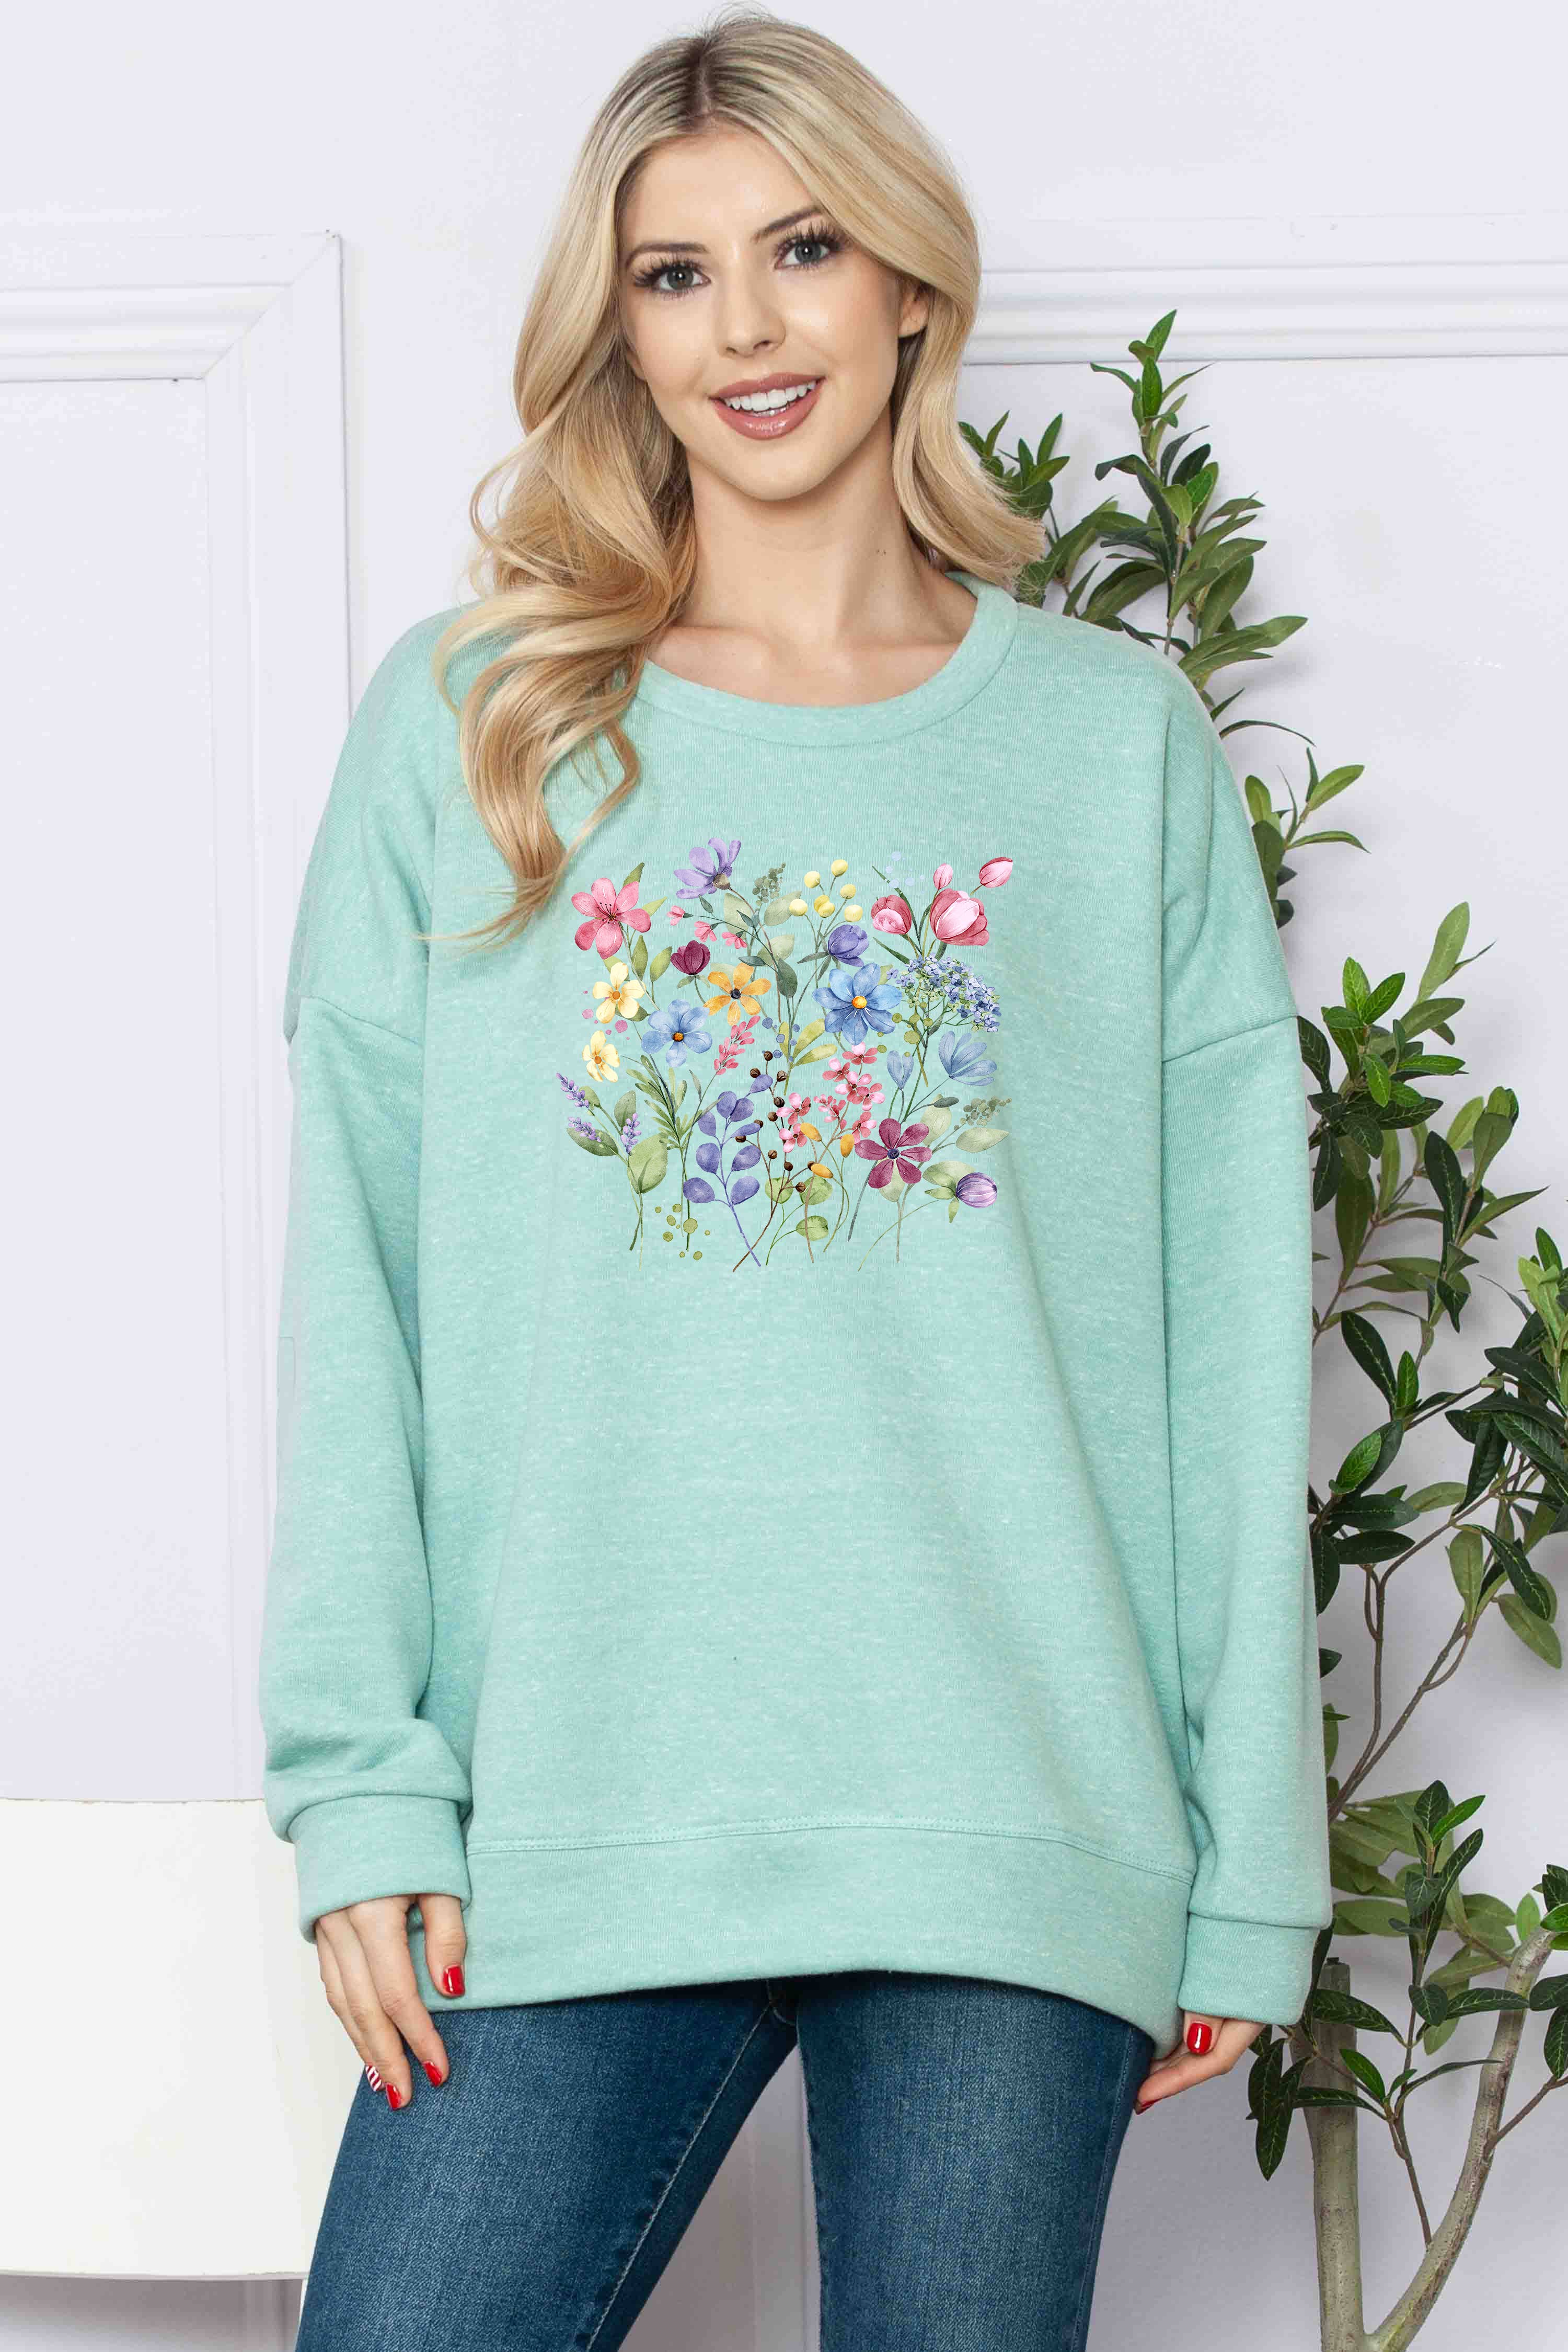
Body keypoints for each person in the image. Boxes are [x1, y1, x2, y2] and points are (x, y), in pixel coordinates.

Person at [260, 9, 1334, 2346]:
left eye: (805, 249)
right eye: (675, 273)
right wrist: (361, 1788)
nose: (746, 327)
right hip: (575, 1805)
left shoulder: (1112, 746)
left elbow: (1231, 1324)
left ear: (911, 284)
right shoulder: (480, 720)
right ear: (619, 329)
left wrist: (1252, 1862)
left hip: (1013, 1810)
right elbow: (356, 1274)